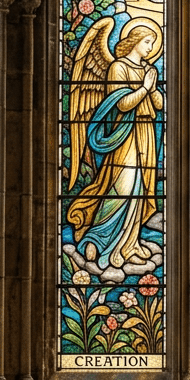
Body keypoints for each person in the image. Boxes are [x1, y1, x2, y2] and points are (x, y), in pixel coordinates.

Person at [67, 17, 163, 274]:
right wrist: (144, 88)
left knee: (140, 189)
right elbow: (121, 104)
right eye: (147, 42)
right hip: (125, 136)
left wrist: (151, 88)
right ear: (133, 41)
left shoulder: (148, 69)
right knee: (121, 188)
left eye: (153, 43)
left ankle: (129, 244)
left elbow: (160, 105)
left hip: (145, 133)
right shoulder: (117, 68)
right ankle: (98, 239)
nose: (150, 47)